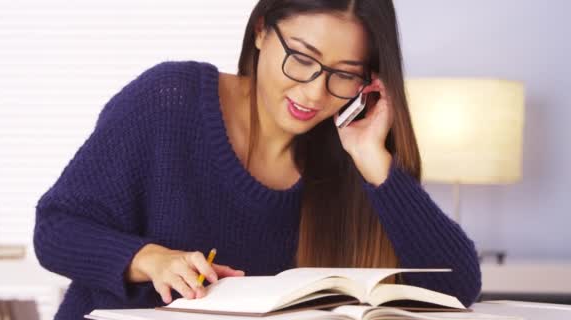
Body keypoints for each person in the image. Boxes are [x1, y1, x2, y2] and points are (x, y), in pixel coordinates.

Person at [33, 1, 482, 319]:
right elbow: (56, 228)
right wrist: (149, 258)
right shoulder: (168, 99)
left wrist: (372, 158)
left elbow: (456, 286)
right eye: (302, 58)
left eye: (344, 74)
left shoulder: (348, 159)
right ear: (262, 30)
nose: (313, 92)